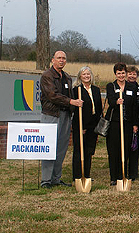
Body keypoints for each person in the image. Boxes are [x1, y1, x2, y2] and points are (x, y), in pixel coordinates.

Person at [40, 50, 83, 188]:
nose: (61, 60)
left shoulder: (67, 77)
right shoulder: (47, 76)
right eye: (59, 58)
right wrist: (71, 101)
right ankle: (46, 180)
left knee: (61, 148)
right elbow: (52, 95)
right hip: (51, 115)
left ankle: (56, 179)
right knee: (49, 147)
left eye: (64, 58)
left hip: (65, 115)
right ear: (53, 60)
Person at [105, 63, 139, 186]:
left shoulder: (131, 87)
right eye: (119, 73)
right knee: (114, 150)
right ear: (115, 74)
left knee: (125, 148)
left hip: (127, 123)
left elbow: (134, 106)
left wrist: (135, 124)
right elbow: (110, 101)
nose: (121, 75)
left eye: (123, 73)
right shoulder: (111, 86)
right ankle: (114, 176)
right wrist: (116, 101)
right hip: (114, 123)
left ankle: (123, 174)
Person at [72, 66, 102, 182]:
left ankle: (87, 174)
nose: (86, 76)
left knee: (89, 150)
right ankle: (78, 176)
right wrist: (81, 127)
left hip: (92, 125)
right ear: (80, 76)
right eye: (84, 74)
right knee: (79, 150)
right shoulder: (76, 90)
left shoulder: (95, 89)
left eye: (88, 74)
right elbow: (76, 110)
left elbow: (98, 107)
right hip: (81, 124)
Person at [126, 65, 139, 180]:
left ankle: (133, 173)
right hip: (127, 122)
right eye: (130, 73)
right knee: (126, 147)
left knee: (135, 147)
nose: (132, 76)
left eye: (134, 74)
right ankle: (123, 171)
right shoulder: (124, 88)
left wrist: (136, 124)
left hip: (138, 122)